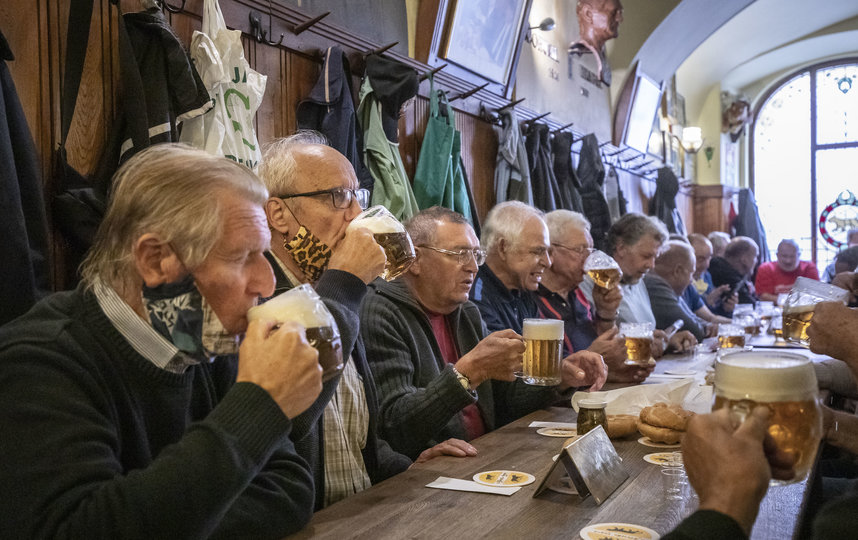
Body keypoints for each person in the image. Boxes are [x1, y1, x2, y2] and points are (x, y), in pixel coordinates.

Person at [0, 145, 324, 538]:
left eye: (264, 256)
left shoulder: (201, 338)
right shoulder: (41, 363)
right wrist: (258, 406)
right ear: (155, 261)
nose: (267, 283)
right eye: (243, 258)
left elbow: (289, 490)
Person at [259, 134, 441, 509]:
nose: (357, 214)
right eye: (337, 196)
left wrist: (408, 467)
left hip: (363, 516)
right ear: (278, 214)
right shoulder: (259, 300)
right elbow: (288, 423)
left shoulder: (338, 294)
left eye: (358, 196)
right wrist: (346, 282)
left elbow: (356, 441)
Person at [360, 207, 606, 458]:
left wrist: (561, 375)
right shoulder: (380, 311)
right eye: (458, 254)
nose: (472, 267)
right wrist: (466, 375)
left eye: (475, 255)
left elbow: (506, 402)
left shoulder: (466, 312)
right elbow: (394, 426)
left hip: (486, 453)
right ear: (415, 260)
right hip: (429, 473)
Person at [664, 299, 858, 539]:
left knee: (798, 506)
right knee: (808, 492)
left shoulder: (840, 522)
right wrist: (829, 425)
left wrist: (725, 506)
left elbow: (838, 526)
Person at [538, 209, 651, 383]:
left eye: (590, 250)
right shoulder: (532, 300)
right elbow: (543, 374)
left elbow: (604, 351)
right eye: (580, 249)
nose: (589, 258)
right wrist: (592, 357)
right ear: (551, 252)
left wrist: (606, 313)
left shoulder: (579, 294)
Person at [579, 212, 696, 354]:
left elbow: (644, 335)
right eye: (646, 256)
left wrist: (667, 341)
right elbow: (593, 343)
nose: (651, 265)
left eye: (655, 257)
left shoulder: (637, 279)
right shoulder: (590, 282)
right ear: (621, 248)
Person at [470, 201, 550, 334]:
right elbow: (504, 353)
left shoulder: (524, 293)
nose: (547, 262)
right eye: (537, 251)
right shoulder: (474, 296)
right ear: (503, 247)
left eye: (548, 252)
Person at [644, 240, 715, 341]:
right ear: (678, 271)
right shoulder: (656, 287)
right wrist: (705, 327)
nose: (691, 281)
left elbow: (693, 318)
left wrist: (706, 326)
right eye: (691, 274)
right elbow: (694, 330)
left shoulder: (670, 288)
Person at [686, 233, 736, 317]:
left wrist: (727, 309)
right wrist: (707, 302)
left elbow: (714, 314)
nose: (707, 265)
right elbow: (688, 318)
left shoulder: (706, 276)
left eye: (709, 258)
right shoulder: (682, 282)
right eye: (700, 259)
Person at [754, 239, 819, 302]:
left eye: (792, 256)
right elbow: (763, 297)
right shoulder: (766, 268)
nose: (788, 261)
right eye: (784, 256)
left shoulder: (809, 268)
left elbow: (815, 296)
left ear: (799, 255)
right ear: (777, 255)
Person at [707, 235, 759, 312]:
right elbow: (752, 307)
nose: (756, 261)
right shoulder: (725, 274)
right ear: (744, 259)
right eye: (755, 257)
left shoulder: (731, 271)